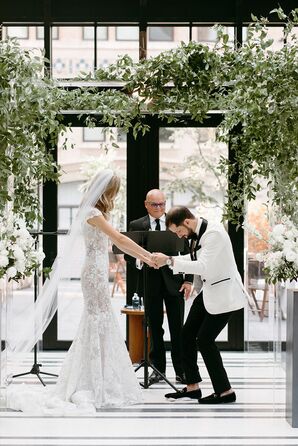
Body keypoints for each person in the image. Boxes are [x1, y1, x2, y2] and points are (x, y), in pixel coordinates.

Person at [7, 169, 155, 414]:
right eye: (114, 191)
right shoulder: (93, 213)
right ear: (106, 191)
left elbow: (116, 243)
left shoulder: (96, 212)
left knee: (99, 321)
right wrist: (147, 256)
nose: (115, 196)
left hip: (97, 268)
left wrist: (143, 256)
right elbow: (118, 239)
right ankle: (93, 381)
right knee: (98, 320)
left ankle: (99, 377)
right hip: (94, 273)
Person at [152, 206, 246, 404]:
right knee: (186, 334)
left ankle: (226, 391)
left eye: (178, 232)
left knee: (204, 340)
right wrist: (174, 267)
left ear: (186, 222)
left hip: (224, 294)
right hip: (209, 291)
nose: (180, 236)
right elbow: (195, 259)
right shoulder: (197, 233)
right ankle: (192, 386)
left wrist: (169, 260)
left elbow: (203, 265)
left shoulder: (214, 234)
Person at [126, 190, 193, 385]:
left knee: (177, 328)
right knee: (154, 327)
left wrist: (188, 280)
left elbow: (188, 252)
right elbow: (129, 253)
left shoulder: (175, 222)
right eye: (155, 205)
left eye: (162, 204)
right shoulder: (136, 225)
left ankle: (182, 371)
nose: (159, 208)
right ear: (146, 204)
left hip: (175, 283)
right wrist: (142, 261)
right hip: (150, 282)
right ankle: (157, 369)